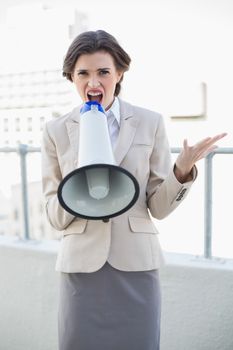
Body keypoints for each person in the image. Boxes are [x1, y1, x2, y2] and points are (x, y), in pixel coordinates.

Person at [41, 30, 226, 350]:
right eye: (82, 73)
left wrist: (181, 171)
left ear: (120, 73)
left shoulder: (149, 121)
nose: (93, 83)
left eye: (103, 72)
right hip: (81, 267)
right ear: (71, 76)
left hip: (136, 265)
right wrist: (79, 180)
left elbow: (158, 207)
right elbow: (53, 216)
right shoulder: (55, 131)